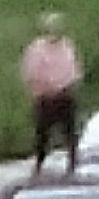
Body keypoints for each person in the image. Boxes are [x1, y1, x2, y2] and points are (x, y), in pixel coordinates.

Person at [20, 14, 84, 166]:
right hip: (46, 97)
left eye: (58, 28)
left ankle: (73, 163)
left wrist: (71, 85)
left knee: (70, 133)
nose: (55, 31)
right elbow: (31, 72)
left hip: (64, 96)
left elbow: (74, 69)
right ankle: (39, 163)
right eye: (52, 28)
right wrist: (42, 88)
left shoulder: (67, 46)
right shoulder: (37, 49)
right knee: (42, 135)